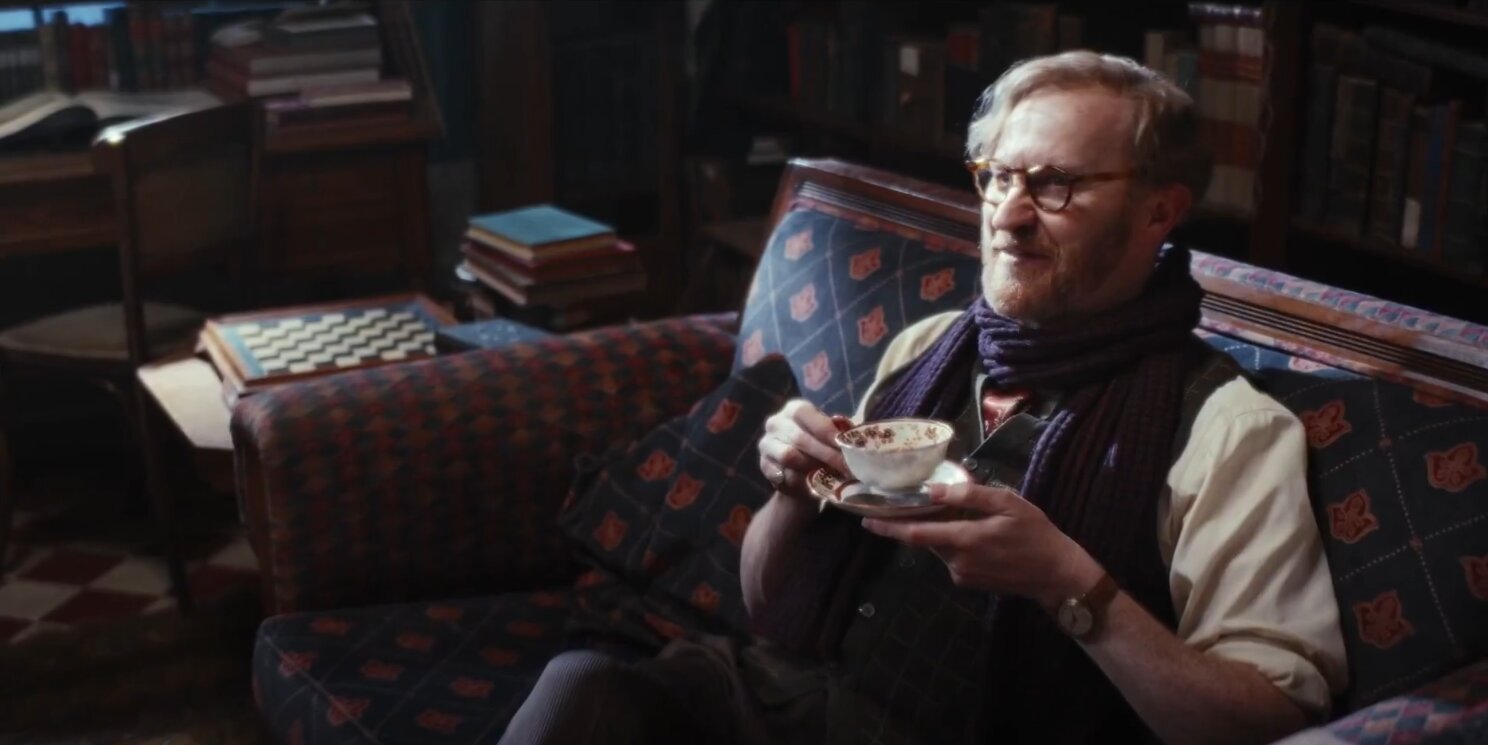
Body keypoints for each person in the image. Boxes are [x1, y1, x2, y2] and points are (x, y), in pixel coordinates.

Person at [499, 50, 1347, 745]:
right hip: (800, 701)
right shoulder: (929, 349)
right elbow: (770, 608)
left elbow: (1268, 719)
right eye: (997, 177)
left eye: (1055, 185)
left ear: (1159, 211)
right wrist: (792, 493)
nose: (1008, 216)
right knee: (583, 687)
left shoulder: (1228, 428)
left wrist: (1070, 584)